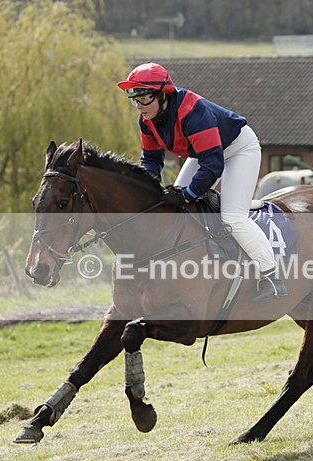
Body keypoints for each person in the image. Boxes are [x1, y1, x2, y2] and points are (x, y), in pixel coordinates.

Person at [117, 62, 287, 303]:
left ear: (164, 94)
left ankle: (272, 276)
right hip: (205, 153)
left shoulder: (193, 113)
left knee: (233, 217)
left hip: (238, 150)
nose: (139, 106)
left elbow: (213, 165)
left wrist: (187, 194)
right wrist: (148, 192)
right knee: (176, 209)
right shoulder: (147, 120)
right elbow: (151, 161)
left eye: (144, 98)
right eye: (135, 99)